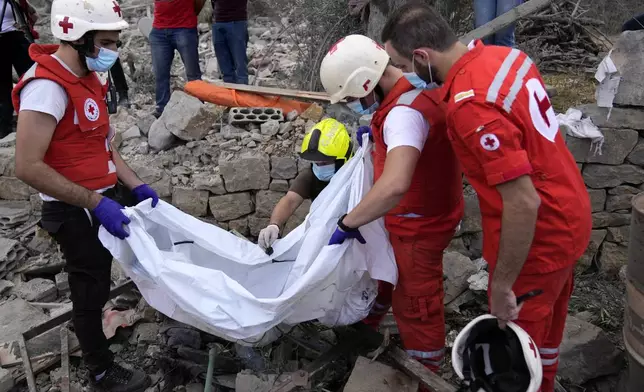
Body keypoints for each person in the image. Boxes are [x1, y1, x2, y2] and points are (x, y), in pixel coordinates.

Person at [381, 3, 592, 391]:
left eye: (405, 65)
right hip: (570, 212)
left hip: (537, 236)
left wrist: (501, 286)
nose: (407, 75)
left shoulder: (471, 104)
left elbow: (523, 201)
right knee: (544, 339)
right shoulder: (505, 57)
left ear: (422, 56)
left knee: (515, 354)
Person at [12, 0, 159, 390]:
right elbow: (27, 165)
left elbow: (102, 145)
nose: (113, 51)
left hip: (103, 199)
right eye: (107, 42)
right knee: (89, 289)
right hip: (75, 211)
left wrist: (134, 183)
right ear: (80, 38)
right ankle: (101, 370)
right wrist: (96, 203)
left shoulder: (88, 77)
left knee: (122, 264)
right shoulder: (46, 88)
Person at [319, 34, 464, 373]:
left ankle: (426, 374)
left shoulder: (402, 114)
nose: (355, 104)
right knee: (389, 278)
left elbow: (396, 184)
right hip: (425, 212)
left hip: (418, 226)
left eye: (355, 97)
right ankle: (369, 327)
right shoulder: (418, 87)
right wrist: (377, 136)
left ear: (368, 81)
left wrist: (348, 222)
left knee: (417, 305)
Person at [258, 118, 352, 250]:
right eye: (316, 163)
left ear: (343, 158)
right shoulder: (311, 175)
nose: (319, 167)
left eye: (324, 163)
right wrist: (274, 225)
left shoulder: (357, 174)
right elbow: (290, 200)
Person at [150, 0, 205, 117]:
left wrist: (190, 14)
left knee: (193, 73)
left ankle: (199, 108)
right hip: (159, 29)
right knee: (160, 74)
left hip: (184, 27)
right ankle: (162, 108)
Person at [0, 0, 37, 139]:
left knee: (31, 77)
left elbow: (33, 14)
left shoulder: (12, 1)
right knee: (2, 87)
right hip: (6, 40)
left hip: (15, 37)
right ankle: (4, 127)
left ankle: (34, 116)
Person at [211, 0, 249, 84]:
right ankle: (230, 92)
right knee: (224, 64)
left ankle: (243, 92)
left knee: (240, 63)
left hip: (237, 20)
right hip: (218, 21)